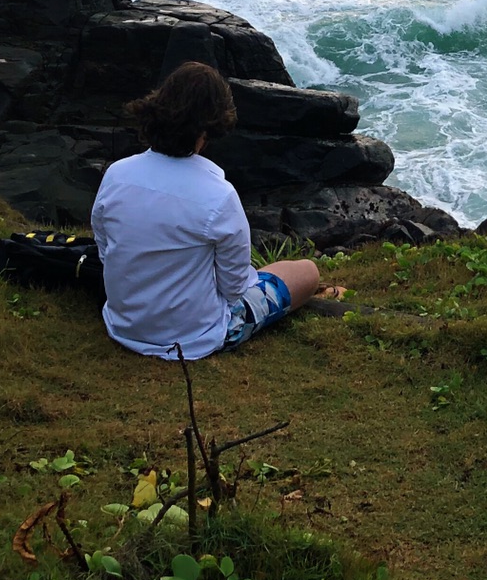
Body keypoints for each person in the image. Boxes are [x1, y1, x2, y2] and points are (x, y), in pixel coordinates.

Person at [89, 61, 324, 359]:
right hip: (193, 338)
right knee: (307, 271)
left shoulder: (116, 174)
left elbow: (105, 250)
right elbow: (234, 289)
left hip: (124, 325)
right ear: (208, 128)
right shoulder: (218, 195)